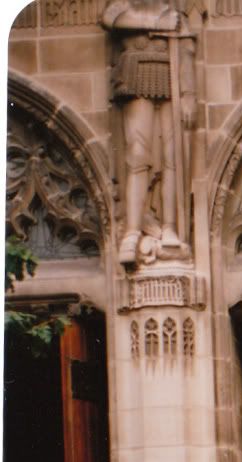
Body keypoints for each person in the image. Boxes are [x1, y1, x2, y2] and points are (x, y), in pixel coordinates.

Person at [102, 0, 197, 264]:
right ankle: (133, 231)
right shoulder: (125, 7)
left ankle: (169, 227)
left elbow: (187, 51)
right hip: (136, 78)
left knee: (172, 157)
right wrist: (157, 23)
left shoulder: (175, 14)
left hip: (170, 81)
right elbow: (110, 18)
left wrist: (189, 94)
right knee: (138, 154)